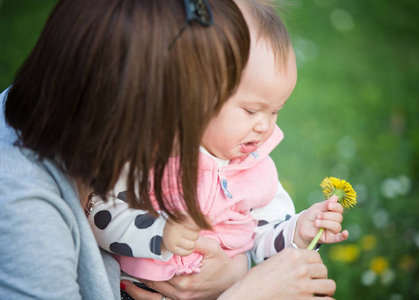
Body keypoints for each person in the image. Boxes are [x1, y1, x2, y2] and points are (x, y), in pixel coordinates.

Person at [0, 0, 336, 299]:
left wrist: (234, 272)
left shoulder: (90, 125)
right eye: (195, 107)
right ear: (133, 104)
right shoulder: (22, 206)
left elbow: (248, 229)